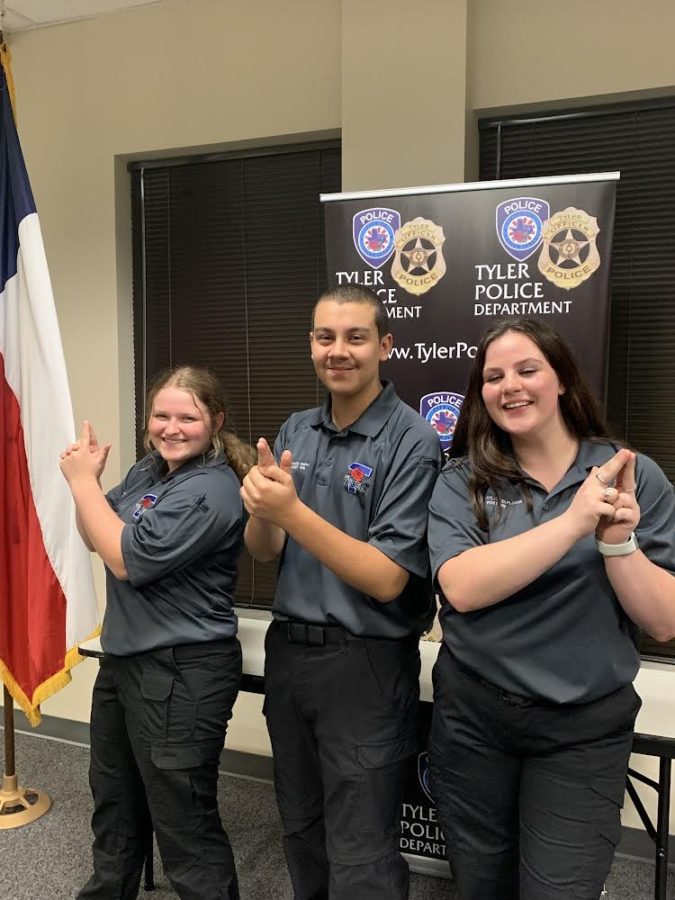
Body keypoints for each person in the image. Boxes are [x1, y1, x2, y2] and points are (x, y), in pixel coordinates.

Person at [427, 316, 675, 900]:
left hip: (582, 728)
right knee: (479, 881)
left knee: (561, 889)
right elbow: (461, 587)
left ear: (562, 379)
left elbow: (663, 621)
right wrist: (573, 524)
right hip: (475, 720)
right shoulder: (462, 479)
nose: (509, 385)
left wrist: (618, 543)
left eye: (527, 369)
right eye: (493, 376)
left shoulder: (628, 474)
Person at [241, 284, 442, 900]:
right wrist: (261, 507)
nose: (339, 351)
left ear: (385, 345)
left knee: (362, 845)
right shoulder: (298, 427)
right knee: (300, 825)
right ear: (311, 345)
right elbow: (264, 550)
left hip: (366, 665)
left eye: (355, 337)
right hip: (291, 656)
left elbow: (387, 577)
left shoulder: (412, 440)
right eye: (325, 337)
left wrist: (292, 510)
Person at [60, 366, 255, 900]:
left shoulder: (214, 489)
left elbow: (125, 558)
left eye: (187, 417)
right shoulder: (152, 469)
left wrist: (80, 484)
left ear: (215, 420)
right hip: (124, 661)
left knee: (183, 824)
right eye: (161, 415)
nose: (171, 427)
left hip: (180, 673)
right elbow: (97, 532)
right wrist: (92, 487)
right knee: (115, 804)